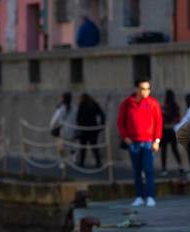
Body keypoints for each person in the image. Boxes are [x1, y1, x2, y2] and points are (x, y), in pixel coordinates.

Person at [117, 77, 162, 207]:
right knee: (137, 170)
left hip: (148, 142)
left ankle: (150, 196)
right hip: (134, 143)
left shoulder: (153, 103)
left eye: (148, 89)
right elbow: (120, 122)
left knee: (148, 170)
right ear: (137, 89)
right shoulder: (127, 103)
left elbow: (159, 122)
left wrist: (157, 140)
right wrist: (125, 137)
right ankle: (139, 196)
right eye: (143, 89)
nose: (145, 92)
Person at [76, 93, 106, 168]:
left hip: (85, 129)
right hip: (92, 129)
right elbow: (102, 115)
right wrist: (101, 125)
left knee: (83, 147)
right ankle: (98, 162)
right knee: (93, 146)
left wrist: (79, 126)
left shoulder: (82, 105)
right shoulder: (93, 104)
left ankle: (82, 162)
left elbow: (78, 117)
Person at [160, 90, 183, 176]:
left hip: (165, 130)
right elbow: (178, 119)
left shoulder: (164, 106)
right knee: (174, 149)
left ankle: (164, 169)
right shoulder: (175, 106)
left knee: (164, 150)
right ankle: (180, 167)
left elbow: (161, 118)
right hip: (172, 130)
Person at [50, 92, 77, 160]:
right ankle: (73, 158)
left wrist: (51, 127)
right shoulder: (74, 108)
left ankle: (62, 161)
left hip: (63, 131)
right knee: (71, 145)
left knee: (60, 145)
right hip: (72, 130)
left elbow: (54, 120)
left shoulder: (61, 109)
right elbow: (76, 119)